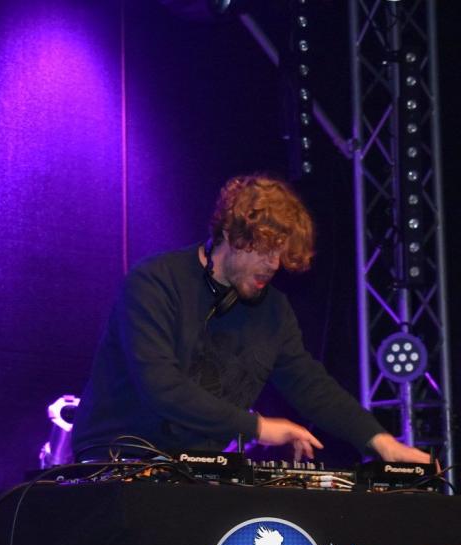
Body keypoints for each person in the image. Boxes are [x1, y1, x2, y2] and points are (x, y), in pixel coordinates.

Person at [71, 174, 431, 465]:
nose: (273, 265)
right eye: (264, 251)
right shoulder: (155, 282)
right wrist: (259, 428)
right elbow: (161, 386)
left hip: (197, 468)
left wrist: (379, 440)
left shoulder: (274, 310)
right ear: (230, 234)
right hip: (117, 460)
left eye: (280, 254)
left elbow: (310, 385)